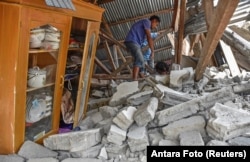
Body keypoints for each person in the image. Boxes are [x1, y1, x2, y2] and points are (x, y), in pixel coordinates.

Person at [124, 15, 161, 80]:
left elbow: (147, 38)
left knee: (140, 61)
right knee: (140, 59)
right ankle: (134, 80)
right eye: (156, 25)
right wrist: (152, 51)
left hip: (133, 43)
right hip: (132, 41)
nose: (155, 27)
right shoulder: (147, 22)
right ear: (154, 21)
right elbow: (149, 37)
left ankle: (141, 76)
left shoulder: (144, 28)